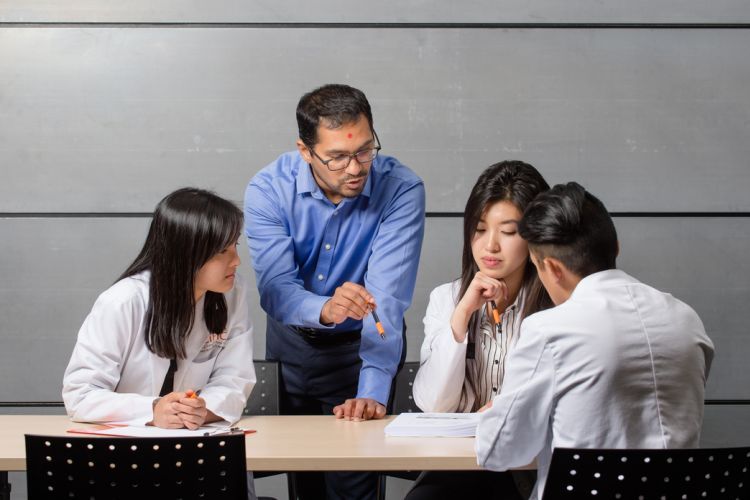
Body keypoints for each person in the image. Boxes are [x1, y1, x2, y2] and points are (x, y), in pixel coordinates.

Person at [475, 182, 715, 500]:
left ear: (552, 268)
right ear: (615, 247)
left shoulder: (550, 330)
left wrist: (499, 411)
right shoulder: (687, 320)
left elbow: (497, 452)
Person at [244, 83, 425, 499]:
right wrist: (326, 307)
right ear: (305, 151)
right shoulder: (268, 190)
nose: (356, 168)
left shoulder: (401, 189)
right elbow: (275, 291)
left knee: (354, 489)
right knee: (303, 485)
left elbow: (387, 300)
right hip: (290, 350)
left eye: (365, 150)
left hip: (359, 352)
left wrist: (372, 389)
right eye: (338, 157)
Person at [407, 161, 552, 500]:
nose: (490, 246)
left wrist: (508, 410)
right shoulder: (446, 298)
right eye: (480, 228)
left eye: (508, 231)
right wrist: (463, 314)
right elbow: (434, 405)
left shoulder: (556, 306)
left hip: (528, 466)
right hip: (459, 464)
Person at [63, 187, 256, 430]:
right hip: (125, 450)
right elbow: (80, 395)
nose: (237, 260)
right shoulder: (124, 300)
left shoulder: (231, 292)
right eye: (222, 251)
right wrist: (154, 410)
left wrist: (202, 409)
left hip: (198, 444)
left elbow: (234, 378)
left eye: (235, 245)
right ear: (186, 253)